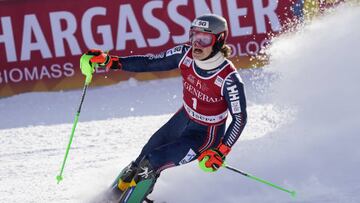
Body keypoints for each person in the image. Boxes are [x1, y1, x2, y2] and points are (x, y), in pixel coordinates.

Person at [81, 14, 247, 203]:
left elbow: (240, 118)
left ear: (219, 40)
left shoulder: (229, 78)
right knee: (143, 157)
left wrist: (221, 150)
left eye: (204, 39)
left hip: (205, 134)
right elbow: (150, 62)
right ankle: (108, 198)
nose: (197, 44)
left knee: (153, 162)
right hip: (183, 119)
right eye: (194, 36)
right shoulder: (184, 54)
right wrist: (111, 61)